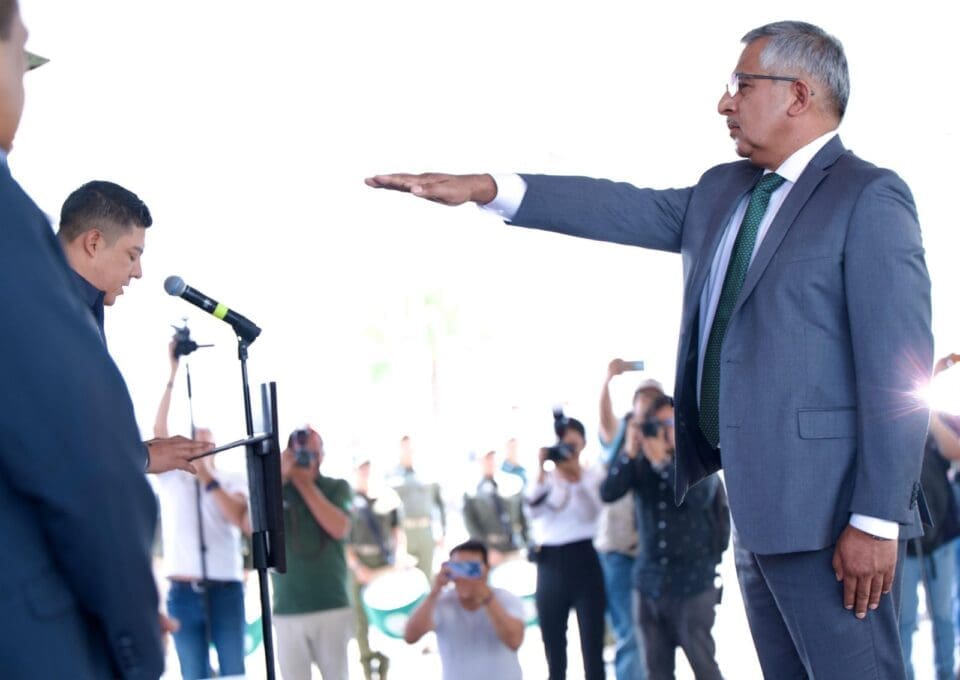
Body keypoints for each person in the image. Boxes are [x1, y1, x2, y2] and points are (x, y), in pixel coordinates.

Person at [367, 20, 933, 678]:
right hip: (757, 518)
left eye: (741, 85)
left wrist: (877, 520)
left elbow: (899, 375)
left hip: (836, 525)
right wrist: (491, 188)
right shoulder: (725, 191)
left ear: (799, 95)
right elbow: (619, 207)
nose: (724, 103)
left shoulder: (867, 196)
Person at [0, 2, 164, 676]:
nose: (139, 271)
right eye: (20, 56)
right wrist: (137, 642)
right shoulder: (13, 236)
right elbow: (85, 471)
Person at [57, 179, 208, 475]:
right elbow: (56, 433)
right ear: (94, 243)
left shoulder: (74, 304)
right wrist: (141, 457)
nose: (138, 272)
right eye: (132, 255)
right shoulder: (47, 310)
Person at [602, 395, 727, 680]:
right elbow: (608, 492)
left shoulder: (697, 458)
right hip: (649, 586)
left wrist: (662, 462)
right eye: (656, 425)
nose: (663, 431)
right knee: (656, 672)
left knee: (705, 667)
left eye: (668, 423)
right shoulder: (639, 461)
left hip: (694, 585)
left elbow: (698, 497)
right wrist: (629, 451)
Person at [153, 341, 250, 679]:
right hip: (183, 590)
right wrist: (172, 372)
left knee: (233, 670)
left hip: (225, 588)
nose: (203, 445)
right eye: (197, 439)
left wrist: (208, 477)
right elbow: (158, 435)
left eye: (208, 440)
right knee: (193, 672)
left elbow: (239, 518)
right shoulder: (173, 478)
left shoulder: (232, 479)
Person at [596, 361, 664, 680]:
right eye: (642, 398)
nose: (646, 405)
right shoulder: (622, 431)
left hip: (653, 552)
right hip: (618, 549)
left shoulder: (665, 434)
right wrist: (608, 380)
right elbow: (604, 419)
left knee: (655, 636)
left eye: (653, 400)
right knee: (630, 634)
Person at [525, 412, 606, 680]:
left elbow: (592, 514)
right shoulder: (544, 480)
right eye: (561, 445)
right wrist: (542, 469)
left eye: (572, 445)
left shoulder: (592, 475)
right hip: (550, 562)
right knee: (554, 652)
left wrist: (576, 479)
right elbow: (531, 510)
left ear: (583, 444)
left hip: (584, 558)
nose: (566, 451)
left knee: (593, 649)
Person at [271, 427, 354, 680]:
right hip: (287, 607)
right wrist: (276, 478)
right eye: (301, 454)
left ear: (322, 455)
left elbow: (339, 527)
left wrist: (303, 483)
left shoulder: (337, 487)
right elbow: (249, 525)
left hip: (330, 604)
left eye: (313, 453)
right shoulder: (276, 489)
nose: (307, 459)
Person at [899, 354, 960, 680]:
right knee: (905, 620)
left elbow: (955, 450)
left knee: (943, 616)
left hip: (943, 535)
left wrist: (929, 413)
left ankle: (947, 673)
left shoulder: (939, 420)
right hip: (905, 542)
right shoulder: (894, 419)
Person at [404, 540, 525, 680]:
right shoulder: (442, 602)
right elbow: (410, 636)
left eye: (472, 568)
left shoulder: (505, 599)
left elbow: (514, 641)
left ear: (486, 569)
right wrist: (435, 591)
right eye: (458, 568)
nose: (464, 576)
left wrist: (487, 598)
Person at [348, 457, 404, 680]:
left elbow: (398, 531)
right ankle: (366, 667)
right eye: (361, 469)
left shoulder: (388, 497)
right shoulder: (349, 499)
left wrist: (397, 560)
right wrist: (357, 567)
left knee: (385, 617)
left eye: (368, 468)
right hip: (360, 566)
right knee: (361, 622)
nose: (365, 473)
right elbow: (344, 539)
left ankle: (384, 668)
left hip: (384, 565)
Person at [387, 434, 446, 581]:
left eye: (409, 445)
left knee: (427, 577)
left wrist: (441, 531)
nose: (407, 449)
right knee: (405, 579)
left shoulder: (427, 473)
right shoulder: (391, 476)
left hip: (425, 530)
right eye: (404, 446)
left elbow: (439, 504)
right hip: (404, 532)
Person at [462, 449, 528, 565]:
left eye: (493, 459)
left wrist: (527, 542)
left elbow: (522, 516)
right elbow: (471, 524)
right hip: (491, 552)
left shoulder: (512, 483)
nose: (491, 463)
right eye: (487, 459)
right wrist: (486, 549)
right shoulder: (471, 491)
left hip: (514, 547)